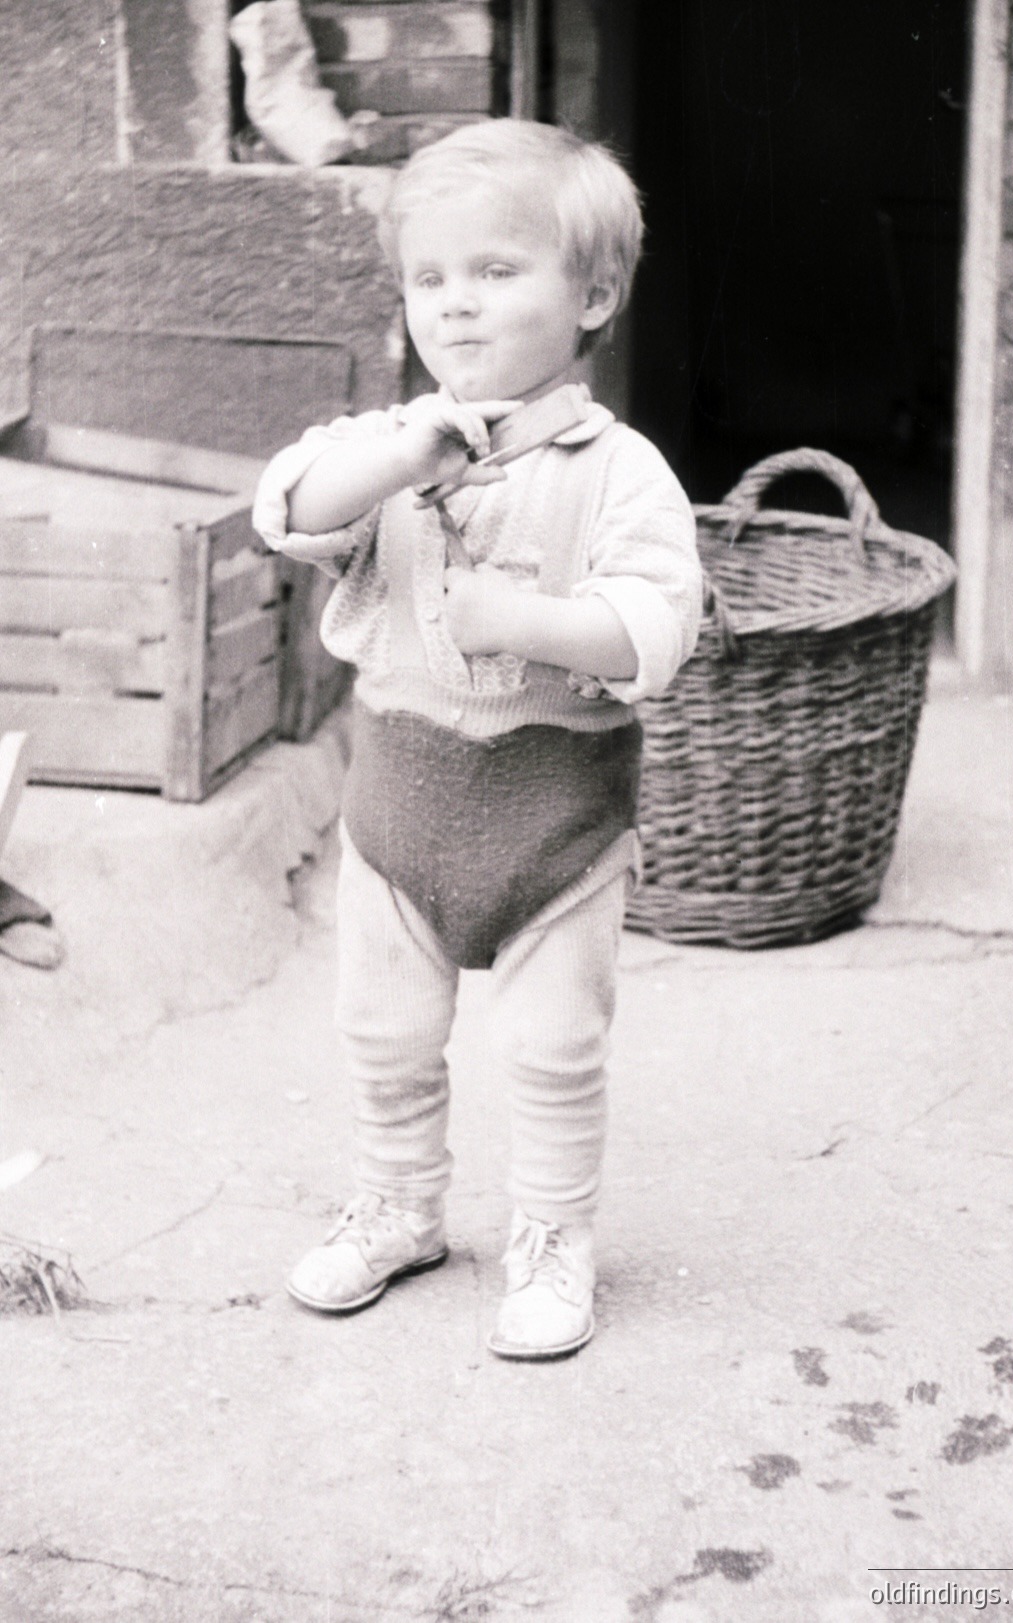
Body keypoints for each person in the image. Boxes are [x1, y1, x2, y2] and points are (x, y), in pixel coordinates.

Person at [252, 119, 701, 1360]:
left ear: (593, 293)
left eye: (497, 272)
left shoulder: (622, 471)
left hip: (556, 816)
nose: (455, 307)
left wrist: (536, 623)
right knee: (382, 1030)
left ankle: (553, 1240)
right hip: (400, 804)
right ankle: (400, 1206)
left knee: (557, 1044)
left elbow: (664, 622)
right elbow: (285, 511)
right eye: (429, 279)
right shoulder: (388, 444)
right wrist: (396, 453)